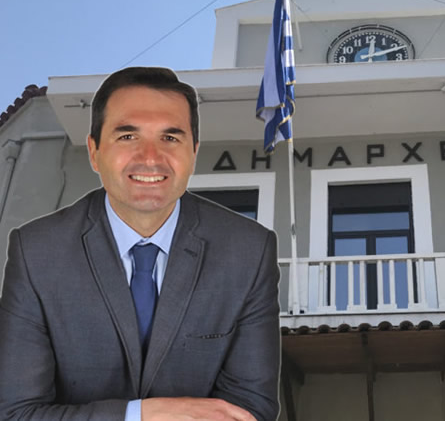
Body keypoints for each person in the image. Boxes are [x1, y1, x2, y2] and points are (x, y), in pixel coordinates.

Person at [0, 67, 280, 421]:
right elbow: (16, 413)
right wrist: (139, 415)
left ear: (193, 152)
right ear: (94, 151)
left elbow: (250, 410)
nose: (150, 157)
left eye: (170, 137)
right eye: (128, 136)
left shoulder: (249, 252)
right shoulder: (36, 252)